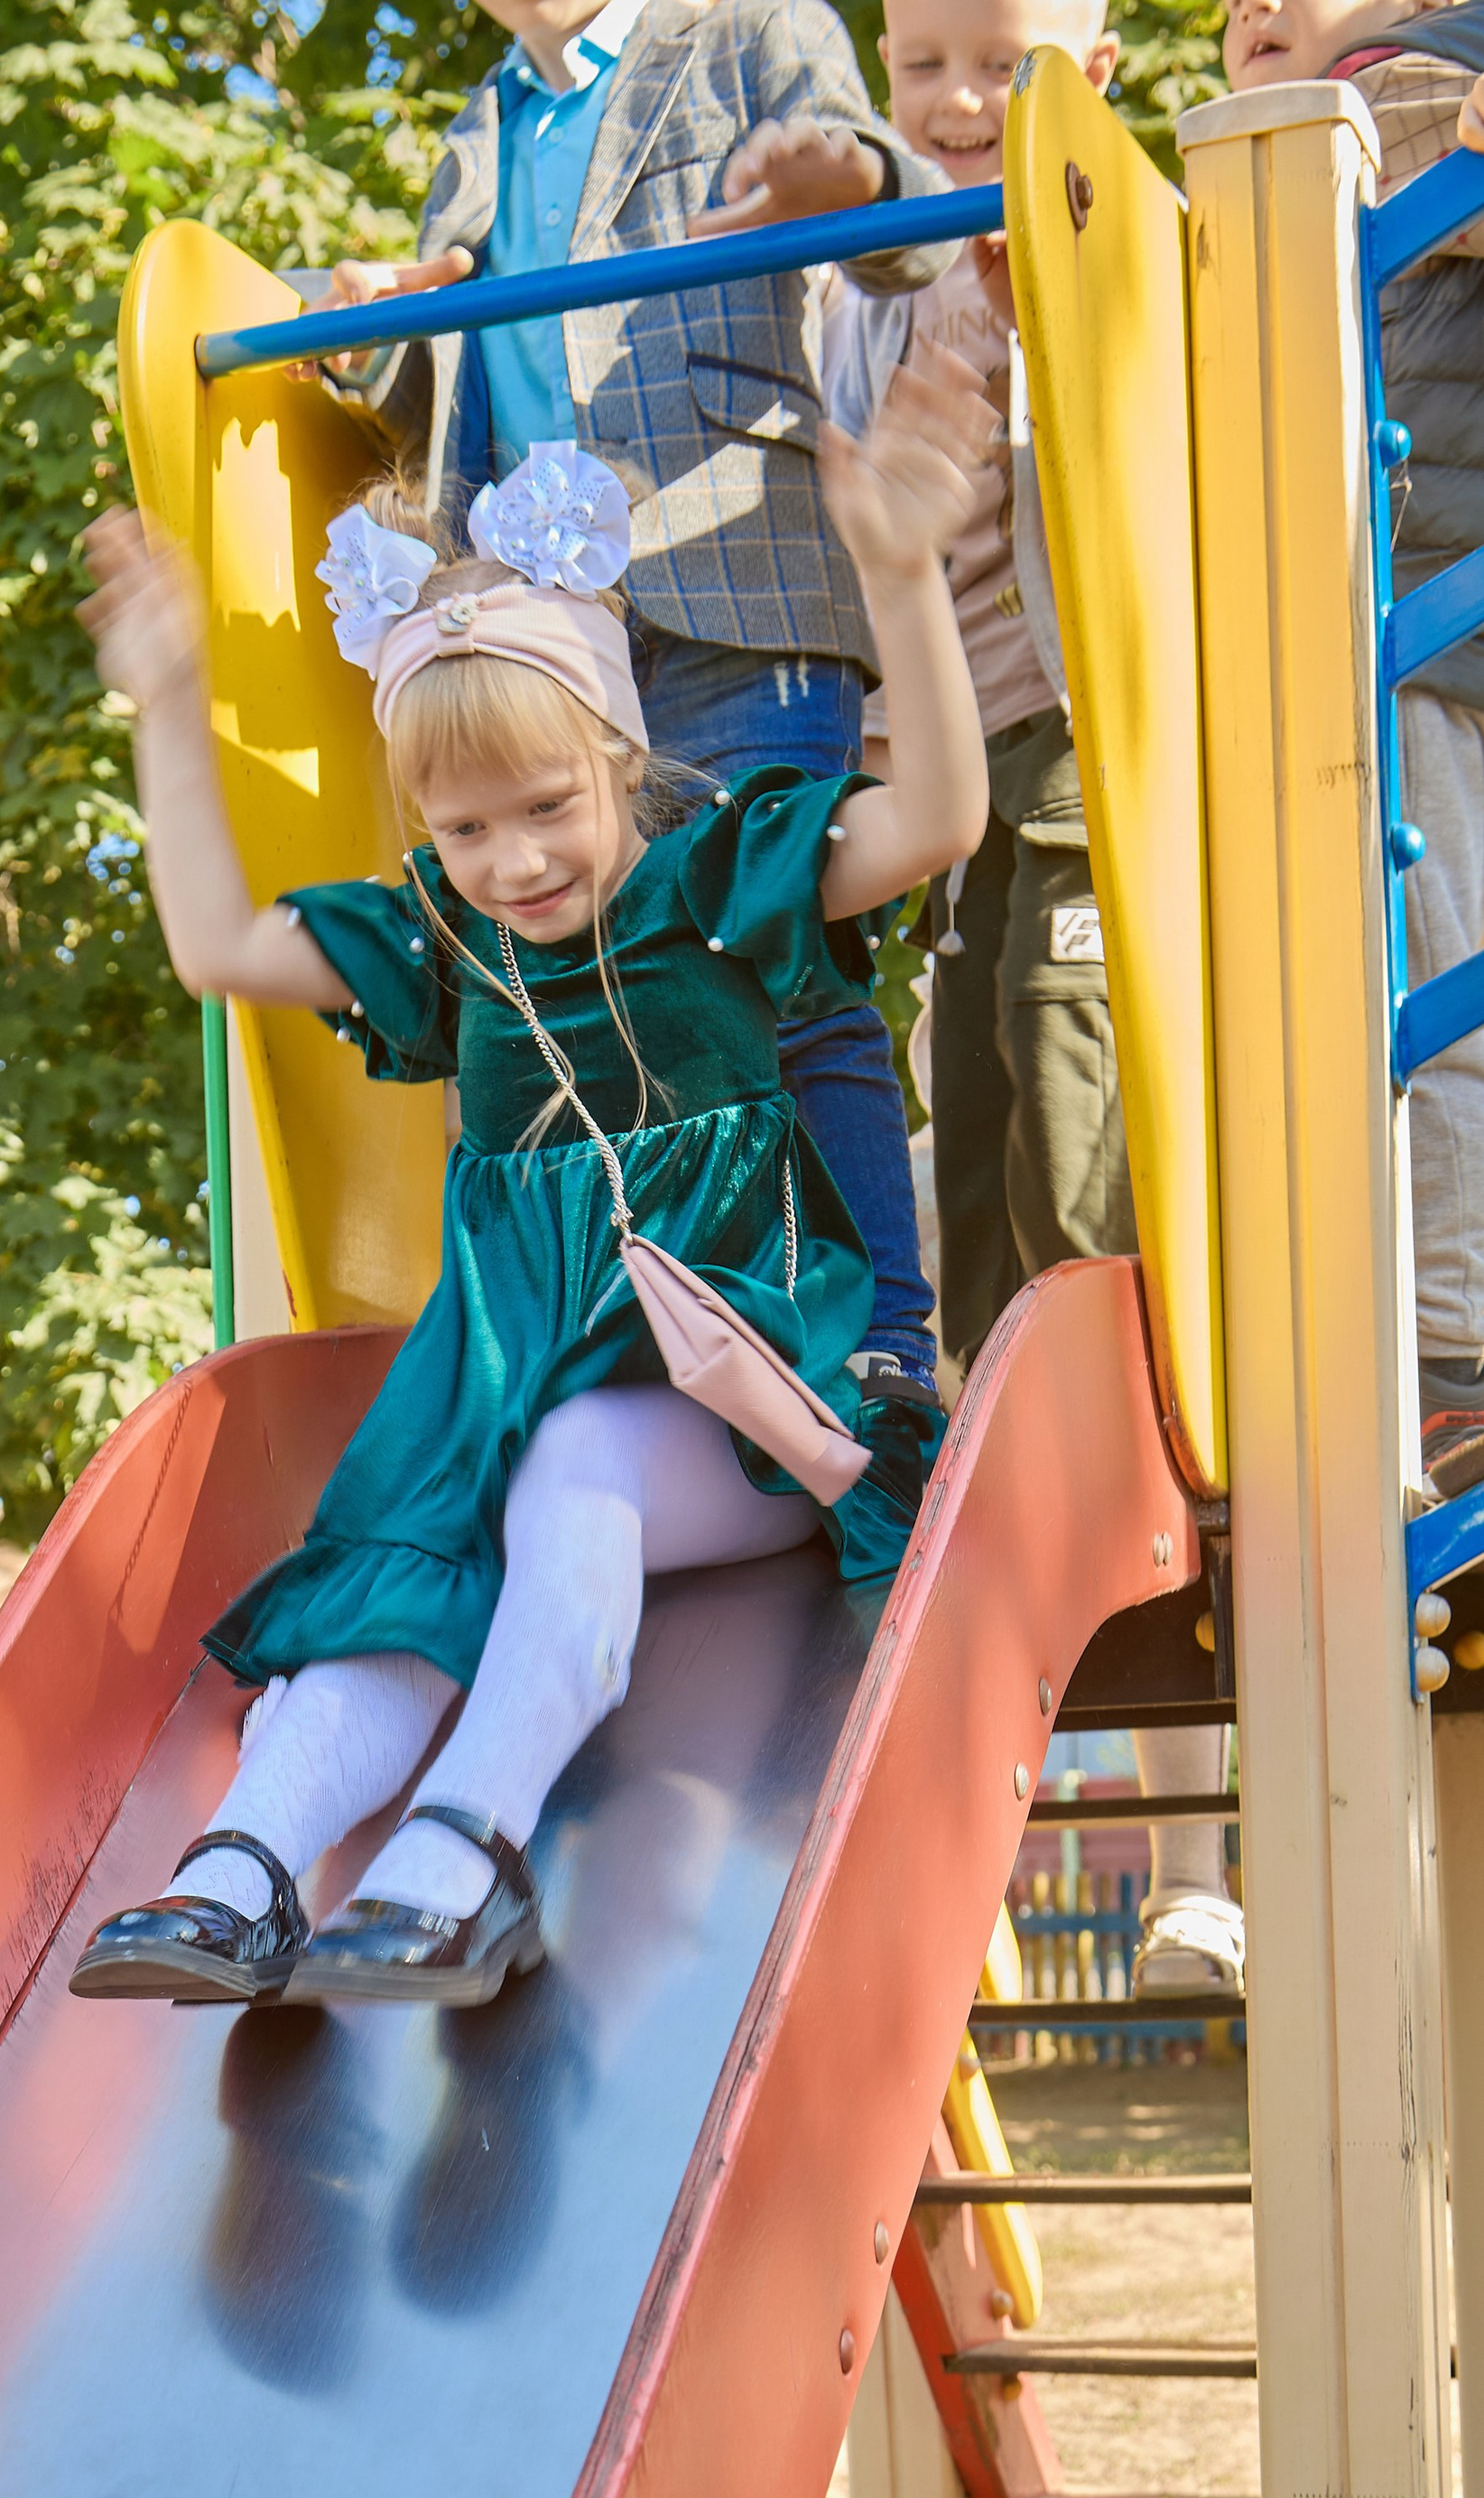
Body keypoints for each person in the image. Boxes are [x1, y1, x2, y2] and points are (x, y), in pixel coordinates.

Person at [70, 372, 991, 2011]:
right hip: (503, 1394)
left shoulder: (712, 882)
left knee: (573, 1463)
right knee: (408, 1531)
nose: (513, 862)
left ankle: (468, 1854)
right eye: (465, 825)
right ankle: (249, 1865)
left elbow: (936, 818)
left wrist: (906, 577)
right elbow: (217, 946)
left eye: (549, 809)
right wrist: (161, 701)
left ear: (620, 756)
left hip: (749, 1405)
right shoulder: (447, 944)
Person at [306, 0, 964, 1511]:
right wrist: (377, 336)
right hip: (548, 624)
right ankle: (648, 1346)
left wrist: (841, 188)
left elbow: (903, 227)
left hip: (731, 582)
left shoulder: (746, 29)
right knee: (587, 993)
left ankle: (882, 1351)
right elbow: (460, 369)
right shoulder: (486, 124)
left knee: (777, 957)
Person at [825, 0, 1239, 1993]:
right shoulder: (883, 267)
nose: (955, 103)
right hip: (960, 791)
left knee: (1081, 1224)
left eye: (996, 64)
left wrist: (974, 247)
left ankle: (1182, 1837)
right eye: (919, 68)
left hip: (1085, 761)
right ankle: (1006, 1786)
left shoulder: (1096, 222)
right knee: (981, 1239)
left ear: (1073, 59)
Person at [1306, 2, 1484, 1493]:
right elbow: (1397, 137)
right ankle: (1444, 1370)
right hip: (1432, 622)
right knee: (1446, 1002)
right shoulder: (1400, 61)